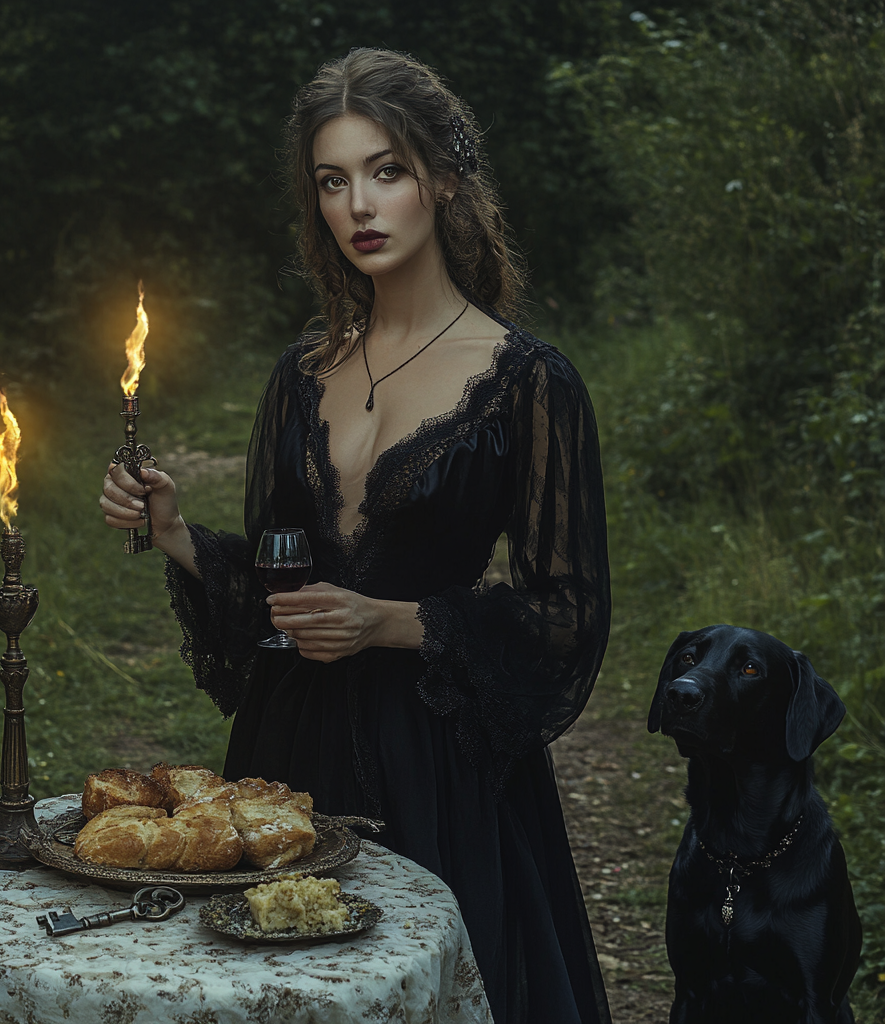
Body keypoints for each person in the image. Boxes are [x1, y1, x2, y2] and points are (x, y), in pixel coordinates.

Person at [100, 48, 612, 1024]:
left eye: (386, 171)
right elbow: (275, 588)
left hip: (439, 767)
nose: (359, 207)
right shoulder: (300, 377)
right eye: (333, 182)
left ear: (445, 178)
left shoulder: (528, 384)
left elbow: (567, 615)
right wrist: (172, 532)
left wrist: (394, 622)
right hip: (287, 757)